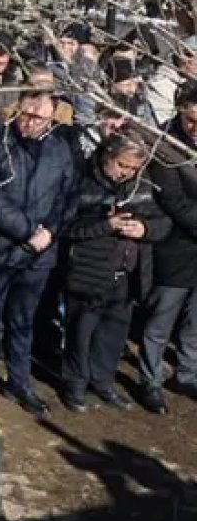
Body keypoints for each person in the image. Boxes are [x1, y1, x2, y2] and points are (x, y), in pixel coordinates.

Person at [0, 90, 79, 416]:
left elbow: (67, 198)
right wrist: (29, 231)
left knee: (23, 322)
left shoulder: (59, 150)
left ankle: (19, 382)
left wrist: (50, 232)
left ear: (51, 118)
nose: (30, 122)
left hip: (37, 256)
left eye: (39, 117)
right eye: (26, 114)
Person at [60, 136, 169, 412]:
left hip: (127, 274)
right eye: (123, 165)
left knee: (113, 334)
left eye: (134, 168)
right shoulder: (82, 180)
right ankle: (75, 385)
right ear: (108, 155)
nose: (127, 173)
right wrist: (106, 225)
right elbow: (66, 226)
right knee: (81, 332)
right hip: (89, 271)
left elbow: (163, 222)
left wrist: (144, 229)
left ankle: (103, 382)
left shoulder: (141, 186)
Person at [138, 90, 197, 414]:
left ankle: (188, 373)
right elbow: (173, 200)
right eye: (190, 120)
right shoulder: (166, 147)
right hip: (175, 247)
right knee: (161, 319)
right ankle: (151, 378)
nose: (195, 128)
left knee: (195, 321)